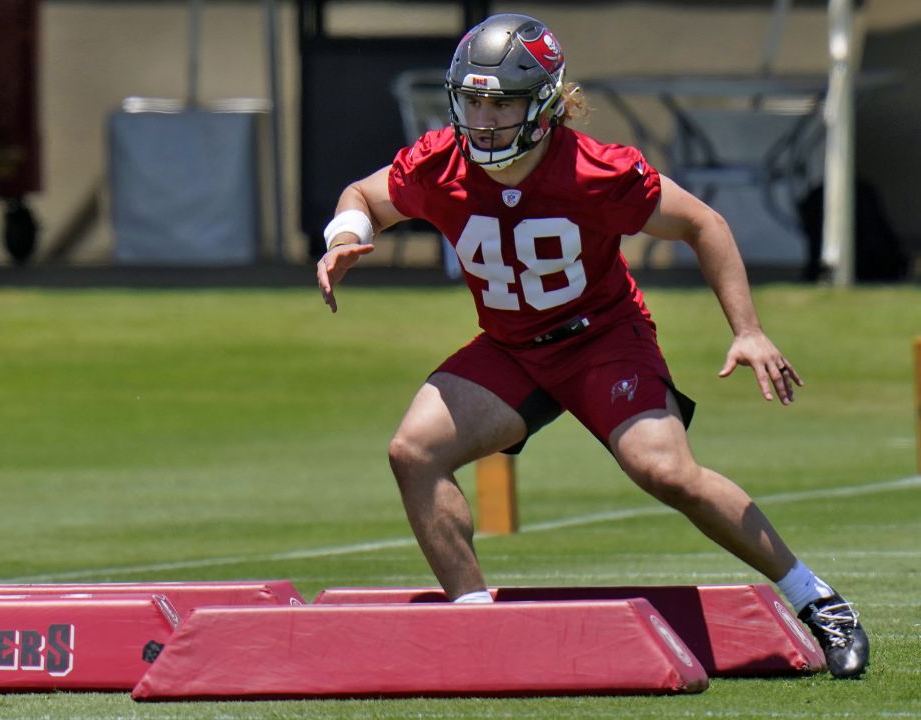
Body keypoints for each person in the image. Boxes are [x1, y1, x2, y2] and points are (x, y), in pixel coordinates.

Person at [315, 13, 868, 678]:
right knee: (413, 452)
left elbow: (704, 224)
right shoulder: (441, 163)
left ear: (544, 104)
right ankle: (475, 624)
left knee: (666, 472)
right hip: (512, 348)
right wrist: (344, 236)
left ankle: (818, 600)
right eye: (473, 101)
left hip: (602, 340)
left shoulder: (597, 172)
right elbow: (365, 197)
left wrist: (747, 330)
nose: (485, 120)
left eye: (504, 102)